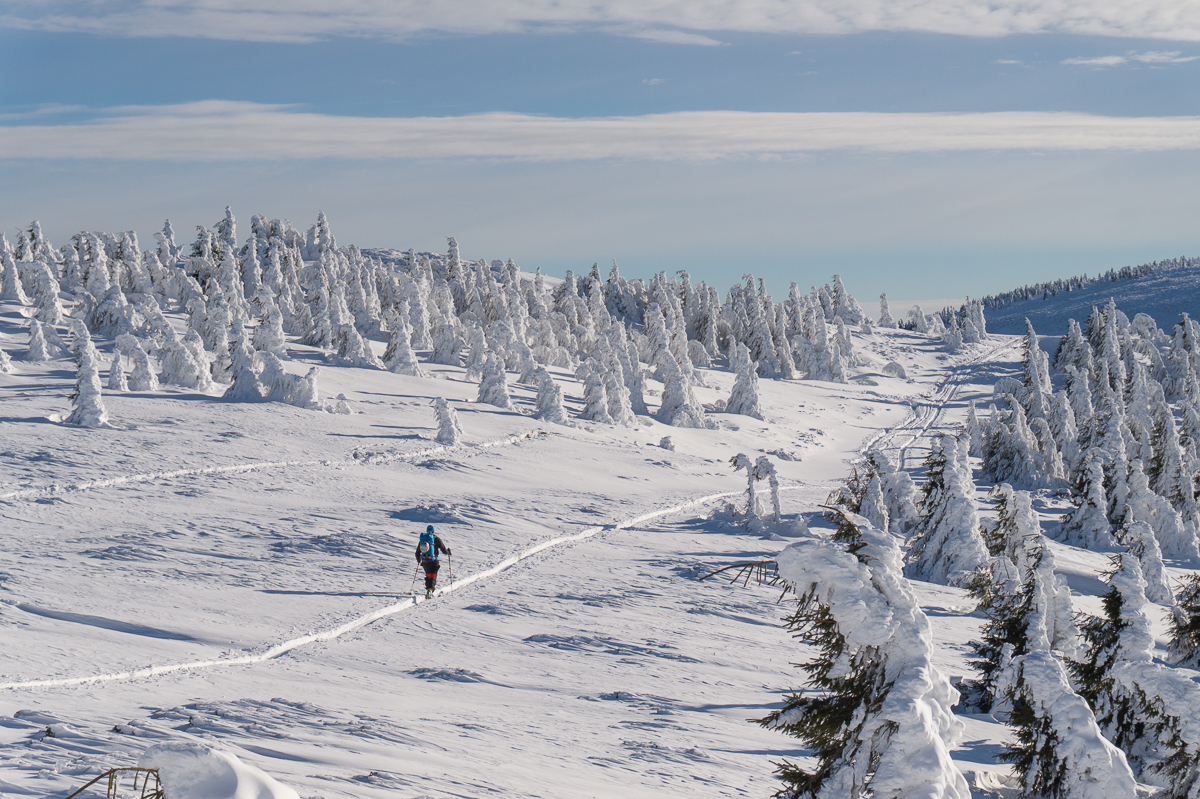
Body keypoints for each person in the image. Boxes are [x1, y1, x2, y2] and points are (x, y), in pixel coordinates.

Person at [416, 524, 451, 598]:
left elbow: (417, 552)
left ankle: (429, 589)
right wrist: (448, 552)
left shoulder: (423, 540)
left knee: (428, 575)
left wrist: (419, 559)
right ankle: (430, 591)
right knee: (433, 576)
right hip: (434, 561)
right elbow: (443, 550)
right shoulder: (437, 539)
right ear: (434, 531)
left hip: (425, 561)